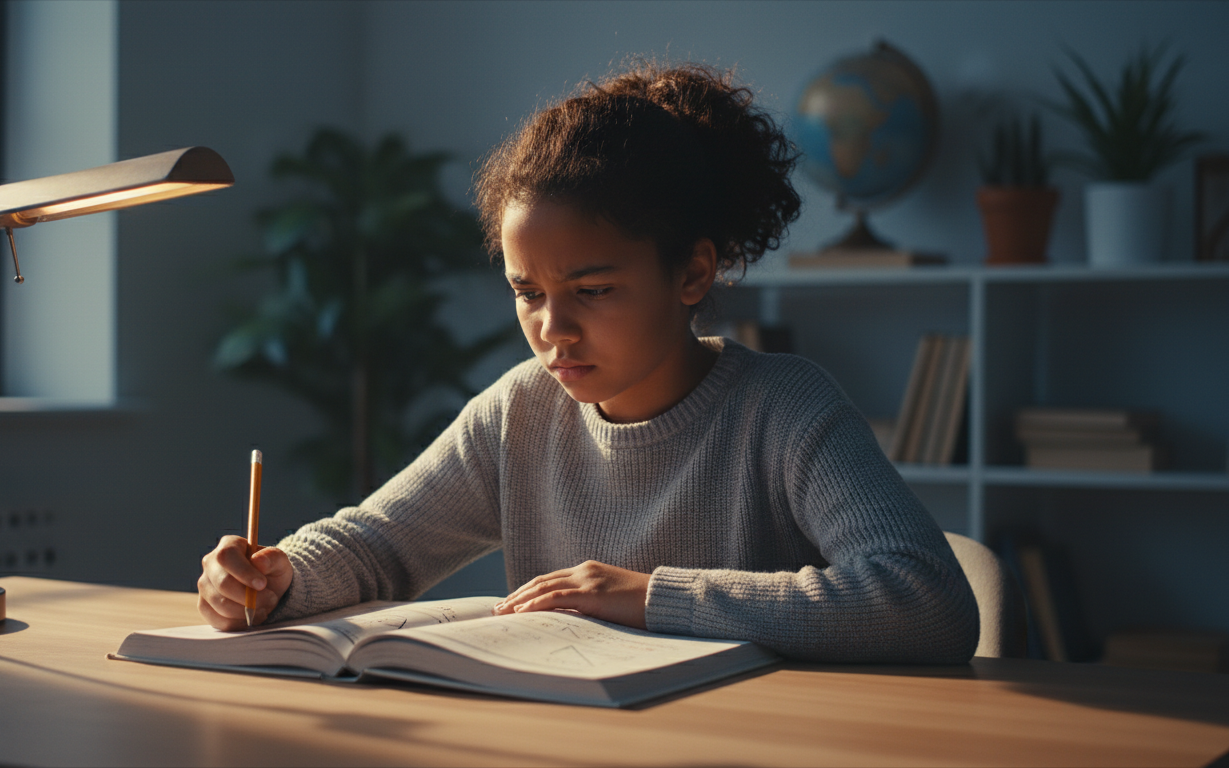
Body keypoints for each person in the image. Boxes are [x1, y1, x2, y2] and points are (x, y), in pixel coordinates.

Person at [197, 62, 979, 664]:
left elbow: (929, 601)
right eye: (525, 292)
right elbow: (379, 544)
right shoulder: (521, 413)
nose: (553, 330)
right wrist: (275, 576)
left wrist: (650, 597)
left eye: (594, 289)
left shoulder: (784, 409)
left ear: (693, 274)